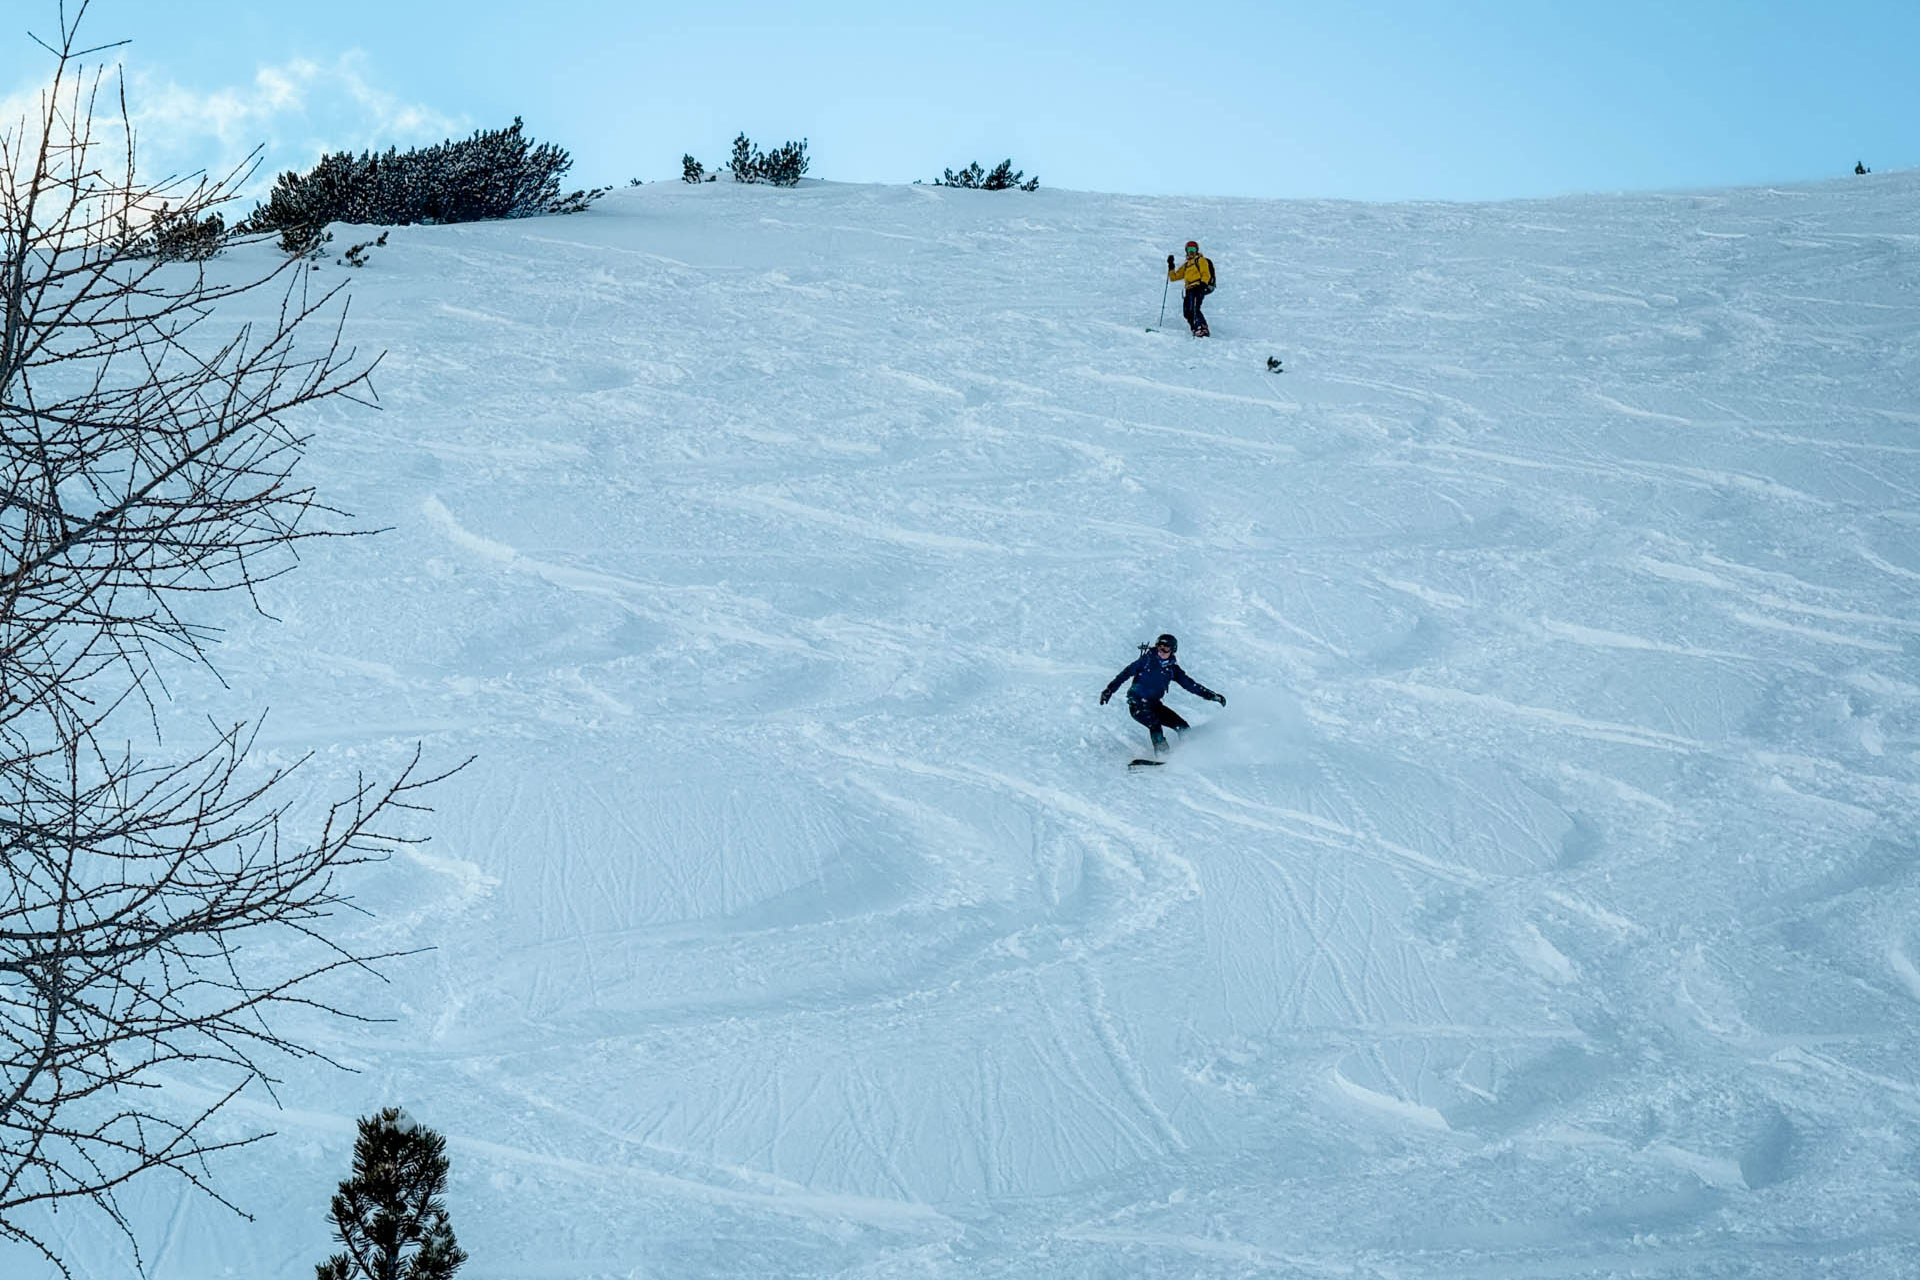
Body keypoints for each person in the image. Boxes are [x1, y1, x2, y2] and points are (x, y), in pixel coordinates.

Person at [1099, 633, 1225, 754]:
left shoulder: (1172, 669)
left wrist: (1211, 695)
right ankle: (1163, 754)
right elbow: (1124, 674)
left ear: (1173, 650)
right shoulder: (1146, 660)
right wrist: (1109, 690)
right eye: (1160, 647)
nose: (1161, 651)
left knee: (1182, 726)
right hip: (1137, 704)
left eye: (1166, 648)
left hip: (1154, 705)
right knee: (1154, 724)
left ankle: (1191, 751)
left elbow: (1190, 685)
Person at [1166, 240, 1214, 337]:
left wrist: (1203, 284)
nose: (1191, 251)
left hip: (1198, 286)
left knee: (1194, 308)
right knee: (1187, 312)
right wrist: (1171, 266)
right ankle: (1195, 328)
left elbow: (1206, 273)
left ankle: (1202, 328)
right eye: (1189, 249)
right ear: (1186, 251)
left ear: (1197, 250)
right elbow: (1174, 277)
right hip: (1189, 289)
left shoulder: (1200, 260)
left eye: (1193, 249)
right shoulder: (1187, 265)